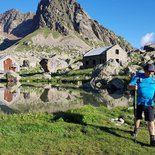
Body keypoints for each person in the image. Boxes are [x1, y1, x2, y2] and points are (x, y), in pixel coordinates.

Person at [128, 63, 155, 146]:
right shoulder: (138, 76)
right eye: (149, 71)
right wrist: (133, 87)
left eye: (152, 71)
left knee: (150, 120)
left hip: (149, 103)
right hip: (139, 102)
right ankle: (136, 130)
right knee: (137, 117)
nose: (151, 73)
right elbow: (129, 86)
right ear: (145, 71)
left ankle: (152, 139)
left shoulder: (154, 79)